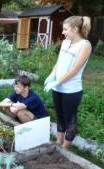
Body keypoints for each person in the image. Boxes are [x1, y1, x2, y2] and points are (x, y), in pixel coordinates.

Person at [44, 16, 92, 148]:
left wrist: (58, 81)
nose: (63, 32)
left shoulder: (85, 45)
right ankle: (58, 142)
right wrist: (52, 75)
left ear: (75, 29)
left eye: (65, 29)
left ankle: (65, 148)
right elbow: (59, 63)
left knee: (69, 119)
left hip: (71, 90)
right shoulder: (65, 42)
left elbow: (75, 70)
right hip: (57, 88)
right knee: (59, 115)